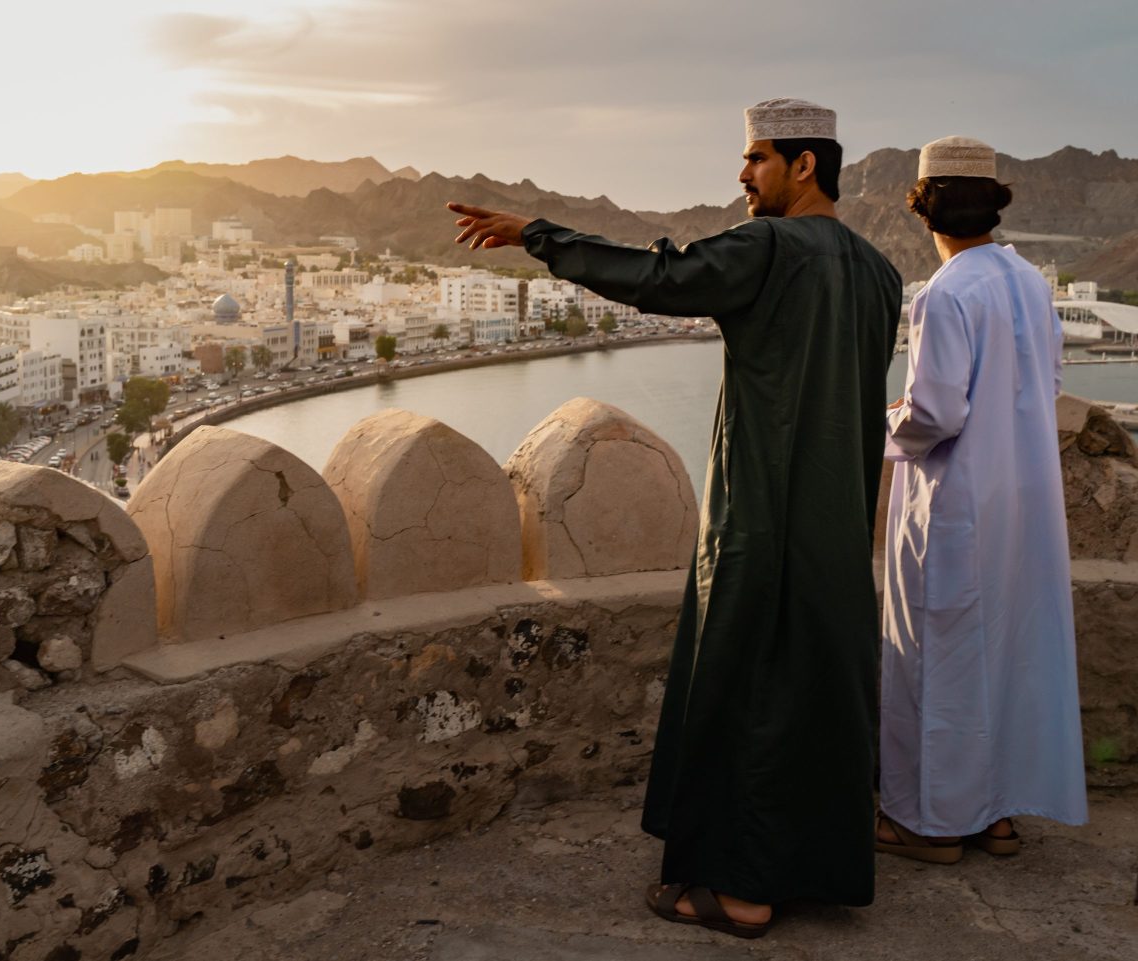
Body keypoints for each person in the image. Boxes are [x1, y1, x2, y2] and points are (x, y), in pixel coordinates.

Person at [449, 98, 900, 938]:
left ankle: (741, 891)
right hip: (839, 530)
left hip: (761, 518)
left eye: (756, 158)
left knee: (747, 688)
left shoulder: (767, 247)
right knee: (814, 692)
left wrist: (538, 235)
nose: (741, 174)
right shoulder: (879, 272)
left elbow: (660, 278)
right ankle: (806, 868)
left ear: (805, 165)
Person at [877, 137, 1087, 863]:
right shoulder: (1030, 281)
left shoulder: (945, 292)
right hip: (1025, 500)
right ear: (994, 206)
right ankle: (995, 814)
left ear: (924, 208)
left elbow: (935, 414)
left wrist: (886, 424)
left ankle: (930, 823)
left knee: (940, 658)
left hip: (957, 501)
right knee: (1009, 651)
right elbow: (1047, 385)